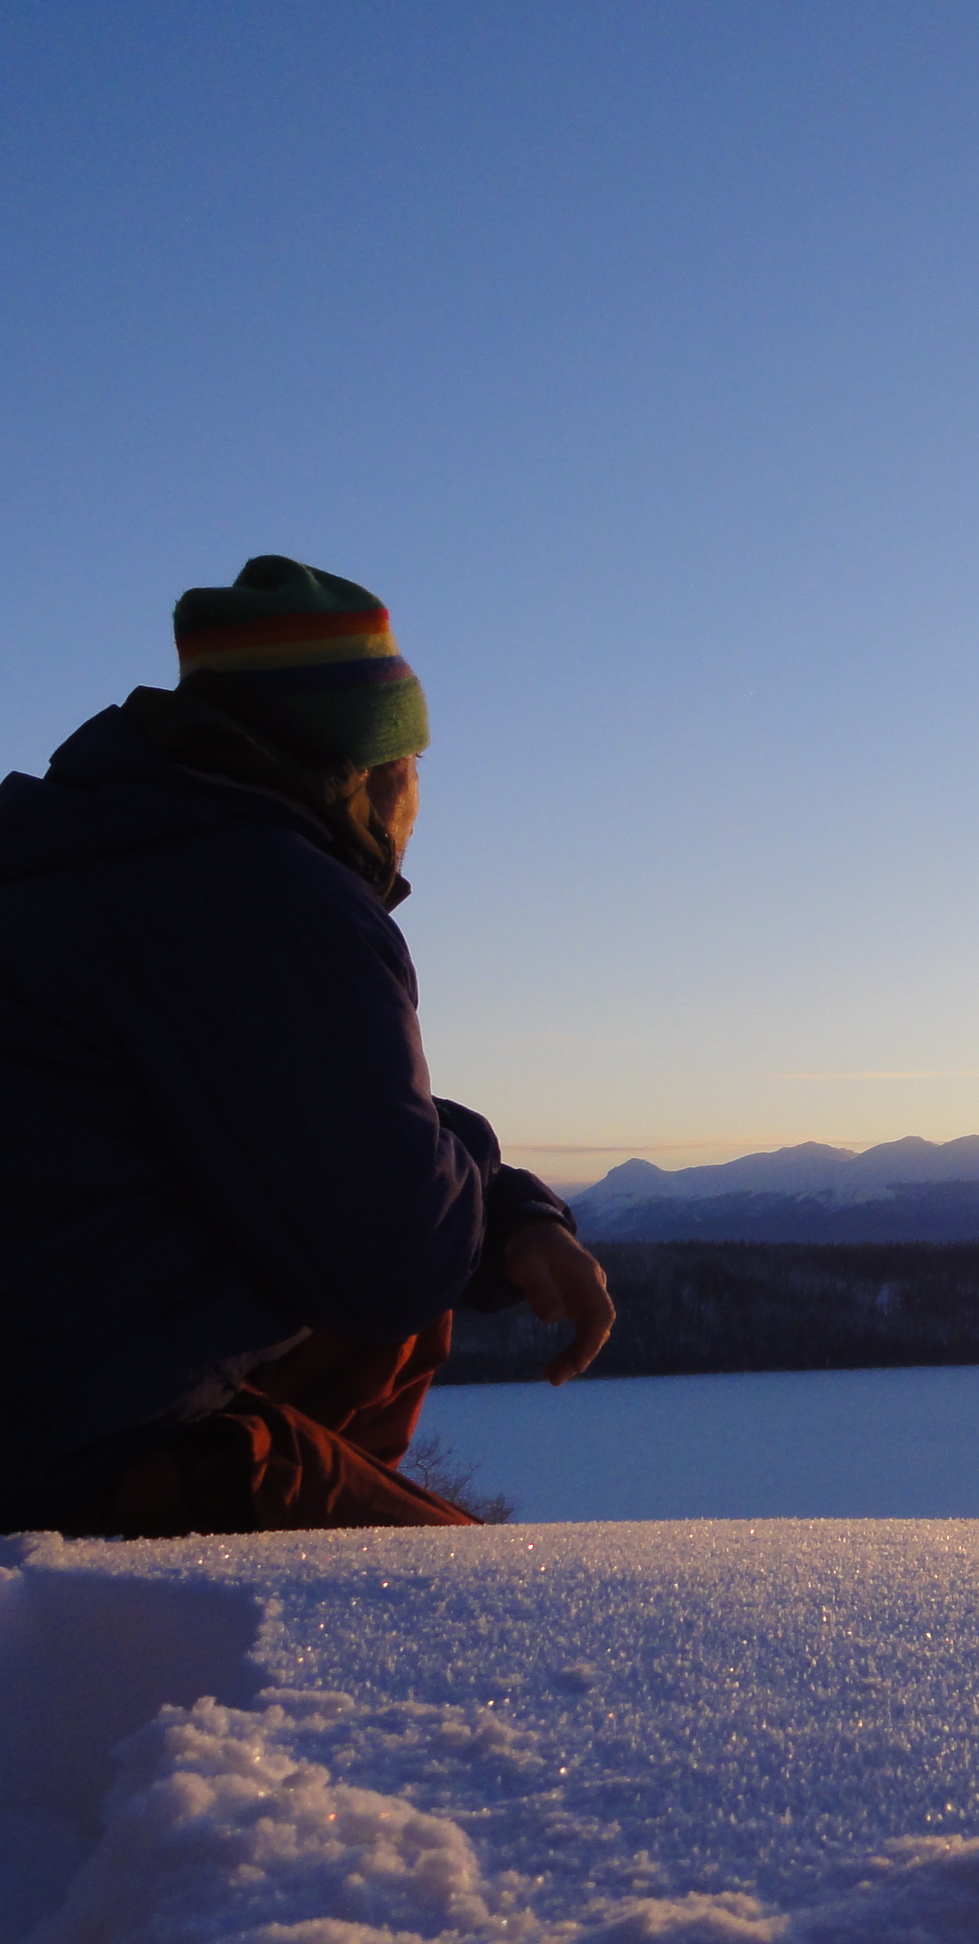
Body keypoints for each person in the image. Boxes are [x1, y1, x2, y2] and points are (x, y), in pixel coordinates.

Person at [0, 555, 614, 1537]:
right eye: (414, 762)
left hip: (65, 1386)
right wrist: (480, 1188)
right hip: (63, 1457)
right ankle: (286, 1588)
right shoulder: (273, 900)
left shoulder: (81, 863)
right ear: (370, 768)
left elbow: (324, 1140)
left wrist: (505, 1210)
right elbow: (396, 1254)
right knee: (485, 1601)